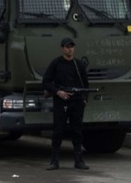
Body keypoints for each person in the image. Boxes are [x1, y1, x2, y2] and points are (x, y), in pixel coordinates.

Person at [42, 38, 89, 171]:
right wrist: (58, 92)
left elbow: (85, 84)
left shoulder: (78, 64)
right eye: (68, 47)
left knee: (77, 131)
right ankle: (54, 161)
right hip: (60, 101)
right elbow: (46, 82)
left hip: (76, 102)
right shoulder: (56, 63)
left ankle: (78, 160)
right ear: (62, 48)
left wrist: (84, 99)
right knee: (58, 131)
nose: (70, 49)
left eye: (72, 47)